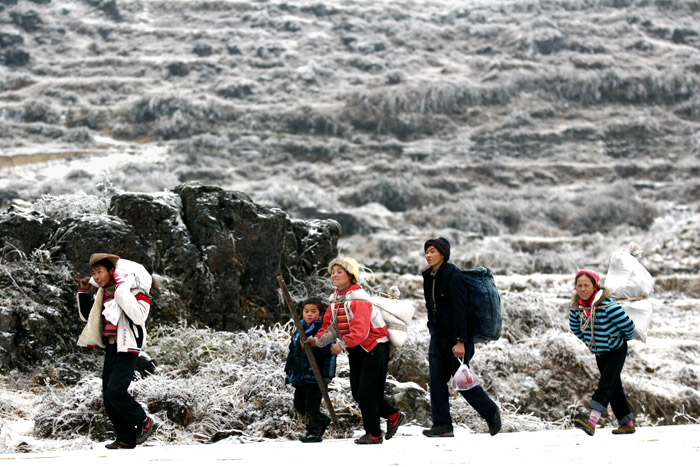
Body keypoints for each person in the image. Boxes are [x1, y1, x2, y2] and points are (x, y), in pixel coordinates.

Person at [306, 257, 404, 445]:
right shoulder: (335, 299)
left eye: (339, 272)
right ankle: (393, 415)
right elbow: (330, 327)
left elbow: (361, 330)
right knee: (359, 394)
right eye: (332, 271)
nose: (334, 275)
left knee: (366, 392)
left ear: (351, 276)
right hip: (357, 348)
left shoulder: (359, 299)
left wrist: (341, 345)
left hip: (374, 346)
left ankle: (374, 433)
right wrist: (316, 341)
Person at [421, 238, 501, 437]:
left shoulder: (453, 276)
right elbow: (431, 307)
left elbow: (461, 311)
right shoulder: (429, 276)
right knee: (437, 382)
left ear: (443, 253)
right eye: (426, 251)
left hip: (456, 339)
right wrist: (432, 328)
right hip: (437, 337)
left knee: (462, 381)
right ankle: (442, 425)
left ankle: (490, 412)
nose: (428, 255)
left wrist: (460, 341)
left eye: (432, 251)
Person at [75, 253, 154, 449]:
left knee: (116, 390)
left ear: (112, 271)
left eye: (100, 271)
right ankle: (125, 438)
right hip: (111, 345)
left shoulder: (136, 293)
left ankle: (144, 421)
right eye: (94, 273)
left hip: (128, 346)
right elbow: (88, 317)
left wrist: (121, 289)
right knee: (108, 397)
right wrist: (84, 291)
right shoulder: (102, 295)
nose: (97, 276)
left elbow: (138, 316)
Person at [569, 269, 636, 436]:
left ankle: (591, 421)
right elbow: (575, 328)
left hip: (616, 349)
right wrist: (591, 343)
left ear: (594, 286)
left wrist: (619, 338)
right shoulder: (577, 307)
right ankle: (626, 422)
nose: (582, 289)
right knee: (613, 385)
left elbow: (628, 326)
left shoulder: (608, 305)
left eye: (586, 285)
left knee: (605, 384)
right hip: (600, 351)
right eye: (579, 286)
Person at [285, 297, 337, 443]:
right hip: (300, 376)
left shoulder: (323, 332)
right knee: (299, 404)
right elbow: (292, 353)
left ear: (320, 315)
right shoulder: (298, 331)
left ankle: (314, 431)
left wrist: (327, 375)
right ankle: (321, 420)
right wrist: (289, 371)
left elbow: (330, 355)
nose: (309, 314)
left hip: (315, 377)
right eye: (306, 311)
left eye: (313, 312)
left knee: (311, 406)